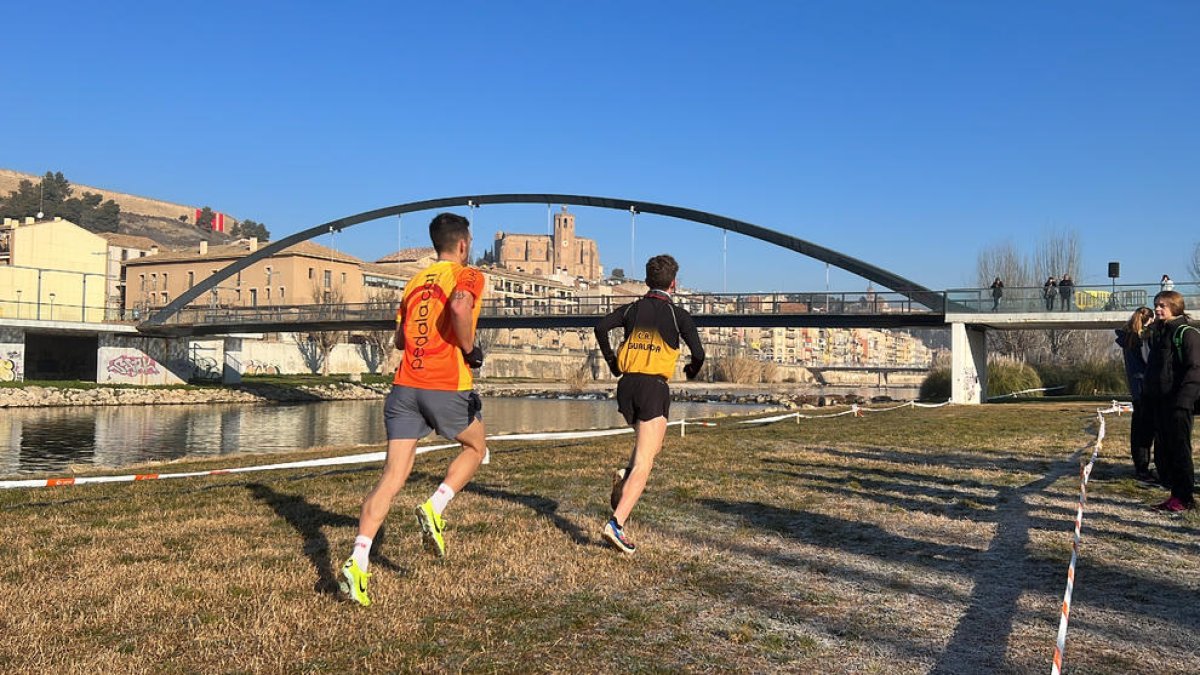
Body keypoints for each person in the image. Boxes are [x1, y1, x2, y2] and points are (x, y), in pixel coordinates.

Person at [339, 213, 488, 606]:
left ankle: (358, 561)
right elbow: (459, 307)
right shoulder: (467, 275)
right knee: (477, 447)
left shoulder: (413, 282)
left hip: (404, 386)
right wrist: (470, 350)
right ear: (463, 245)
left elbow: (401, 339)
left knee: (391, 477)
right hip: (444, 384)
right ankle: (435, 505)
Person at [594, 254, 705, 554]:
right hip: (654, 387)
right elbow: (699, 353)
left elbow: (601, 327)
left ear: (646, 282)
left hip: (627, 385)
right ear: (674, 284)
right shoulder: (677, 315)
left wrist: (612, 363)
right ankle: (616, 524)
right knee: (646, 462)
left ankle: (626, 475)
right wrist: (692, 371)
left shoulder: (632, 308)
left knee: (650, 447)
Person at [1142, 290, 1199, 512]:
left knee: (1180, 450)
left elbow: (1195, 369)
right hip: (1161, 403)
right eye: (1156, 304)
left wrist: (1184, 401)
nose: (1157, 308)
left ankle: (1184, 498)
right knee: (1164, 451)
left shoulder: (1187, 334)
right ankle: (1174, 493)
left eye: (1163, 305)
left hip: (1179, 404)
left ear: (1175, 307)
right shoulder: (1159, 333)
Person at [1116, 307, 1156, 482]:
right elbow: (1148, 361)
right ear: (1149, 320)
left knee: (1138, 429)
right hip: (1146, 387)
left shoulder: (1128, 338)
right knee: (1145, 431)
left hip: (1136, 388)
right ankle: (1143, 468)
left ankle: (1140, 466)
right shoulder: (1141, 339)